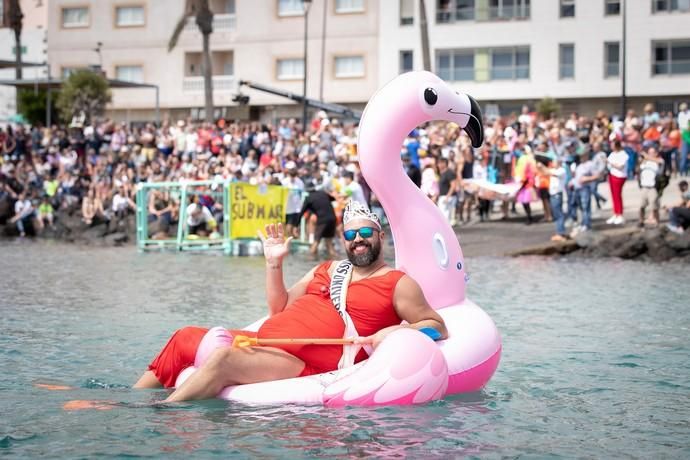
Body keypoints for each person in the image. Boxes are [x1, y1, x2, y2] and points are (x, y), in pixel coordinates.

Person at [133, 201, 447, 402]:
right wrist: (274, 264)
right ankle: (129, 400)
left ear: (380, 236)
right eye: (350, 236)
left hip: (306, 362)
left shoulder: (397, 283)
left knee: (224, 361)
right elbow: (278, 308)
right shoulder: (327, 269)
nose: (358, 240)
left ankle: (159, 416)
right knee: (185, 336)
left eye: (365, 232)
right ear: (343, 242)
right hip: (269, 339)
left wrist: (394, 333)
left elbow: (437, 327)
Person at [300, 185, 337, 258]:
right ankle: (337, 261)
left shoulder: (309, 198)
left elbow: (301, 212)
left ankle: (310, 260)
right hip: (332, 218)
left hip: (323, 220)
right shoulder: (323, 193)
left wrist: (295, 225)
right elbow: (333, 199)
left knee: (316, 242)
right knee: (329, 244)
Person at [638, 147, 664, 227]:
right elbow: (639, 167)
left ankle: (657, 222)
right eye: (649, 152)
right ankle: (641, 221)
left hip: (653, 188)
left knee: (654, 207)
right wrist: (642, 159)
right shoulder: (645, 162)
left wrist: (646, 156)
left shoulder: (660, 161)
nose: (650, 154)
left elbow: (660, 162)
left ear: (656, 153)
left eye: (652, 152)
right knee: (641, 206)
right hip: (644, 187)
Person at [607, 140, 629, 225]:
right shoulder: (612, 154)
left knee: (617, 195)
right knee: (613, 195)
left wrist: (611, 163)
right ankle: (615, 213)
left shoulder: (623, 155)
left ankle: (620, 214)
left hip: (620, 176)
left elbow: (620, 166)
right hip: (612, 175)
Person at [280, 162, 305, 239]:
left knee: (293, 230)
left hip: (296, 209)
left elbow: (302, 195)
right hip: (286, 209)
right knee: (287, 229)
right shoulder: (284, 182)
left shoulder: (300, 182)